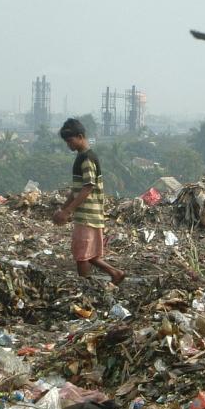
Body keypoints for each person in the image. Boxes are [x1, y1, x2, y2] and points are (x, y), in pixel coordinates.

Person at [53, 118, 125, 285]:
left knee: (81, 255)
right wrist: (63, 209)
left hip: (88, 215)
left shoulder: (87, 159)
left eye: (70, 141)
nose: (68, 145)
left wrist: (68, 211)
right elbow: (76, 190)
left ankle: (85, 288)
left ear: (80, 136)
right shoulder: (81, 157)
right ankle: (115, 273)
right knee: (87, 254)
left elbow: (88, 188)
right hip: (87, 215)